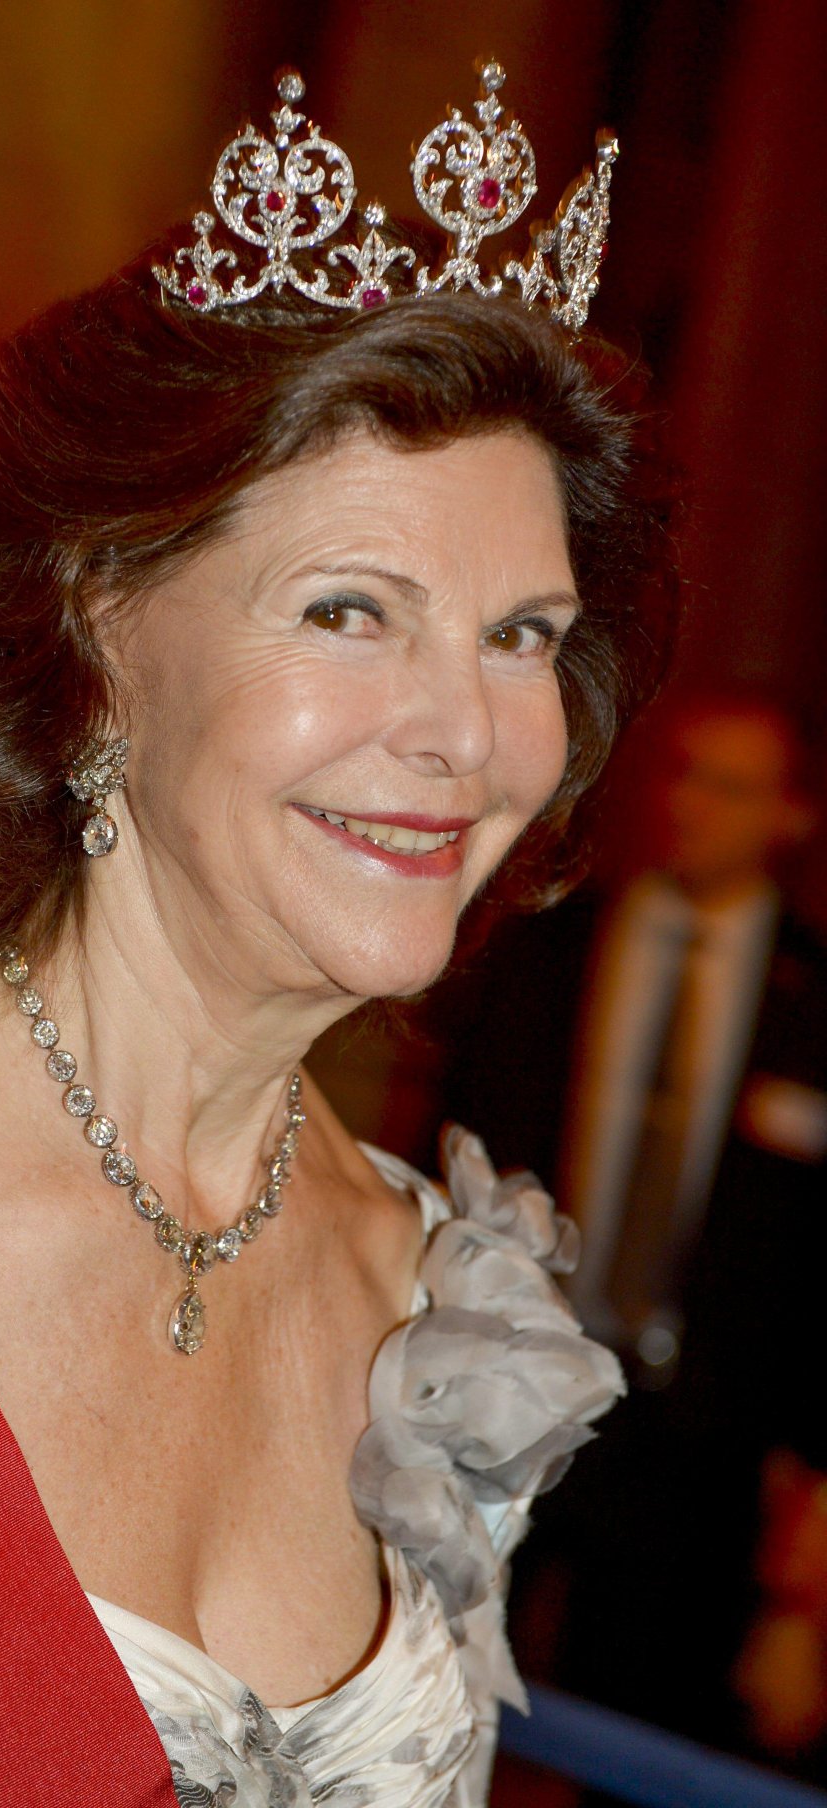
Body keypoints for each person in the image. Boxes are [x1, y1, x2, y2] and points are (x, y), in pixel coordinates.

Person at [0, 65, 675, 1808]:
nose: (468, 732)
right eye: (352, 610)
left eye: (520, 633)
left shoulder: (434, 1291)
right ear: (100, 630)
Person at [430, 691, 827, 1767]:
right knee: (435, 1708)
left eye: (729, 784)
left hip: (692, 1439)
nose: (691, 801)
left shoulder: (814, 999)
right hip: (507, 1395)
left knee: (639, 1737)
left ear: (789, 816)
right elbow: (450, 1151)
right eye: (682, 771)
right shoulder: (545, 949)